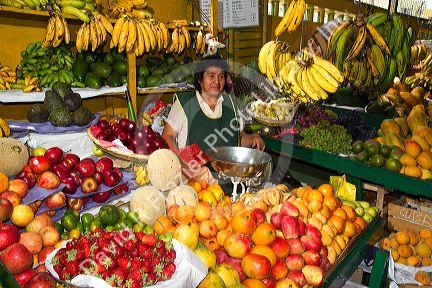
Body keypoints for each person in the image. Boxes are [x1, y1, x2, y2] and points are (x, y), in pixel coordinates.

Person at [162, 54, 265, 154]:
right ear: (199, 79)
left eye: (221, 77)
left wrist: (252, 138)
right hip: (193, 170)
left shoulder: (232, 103)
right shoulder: (185, 103)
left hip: (226, 169)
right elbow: (167, 136)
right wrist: (180, 160)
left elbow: (239, 138)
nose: (217, 81)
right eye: (211, 76)